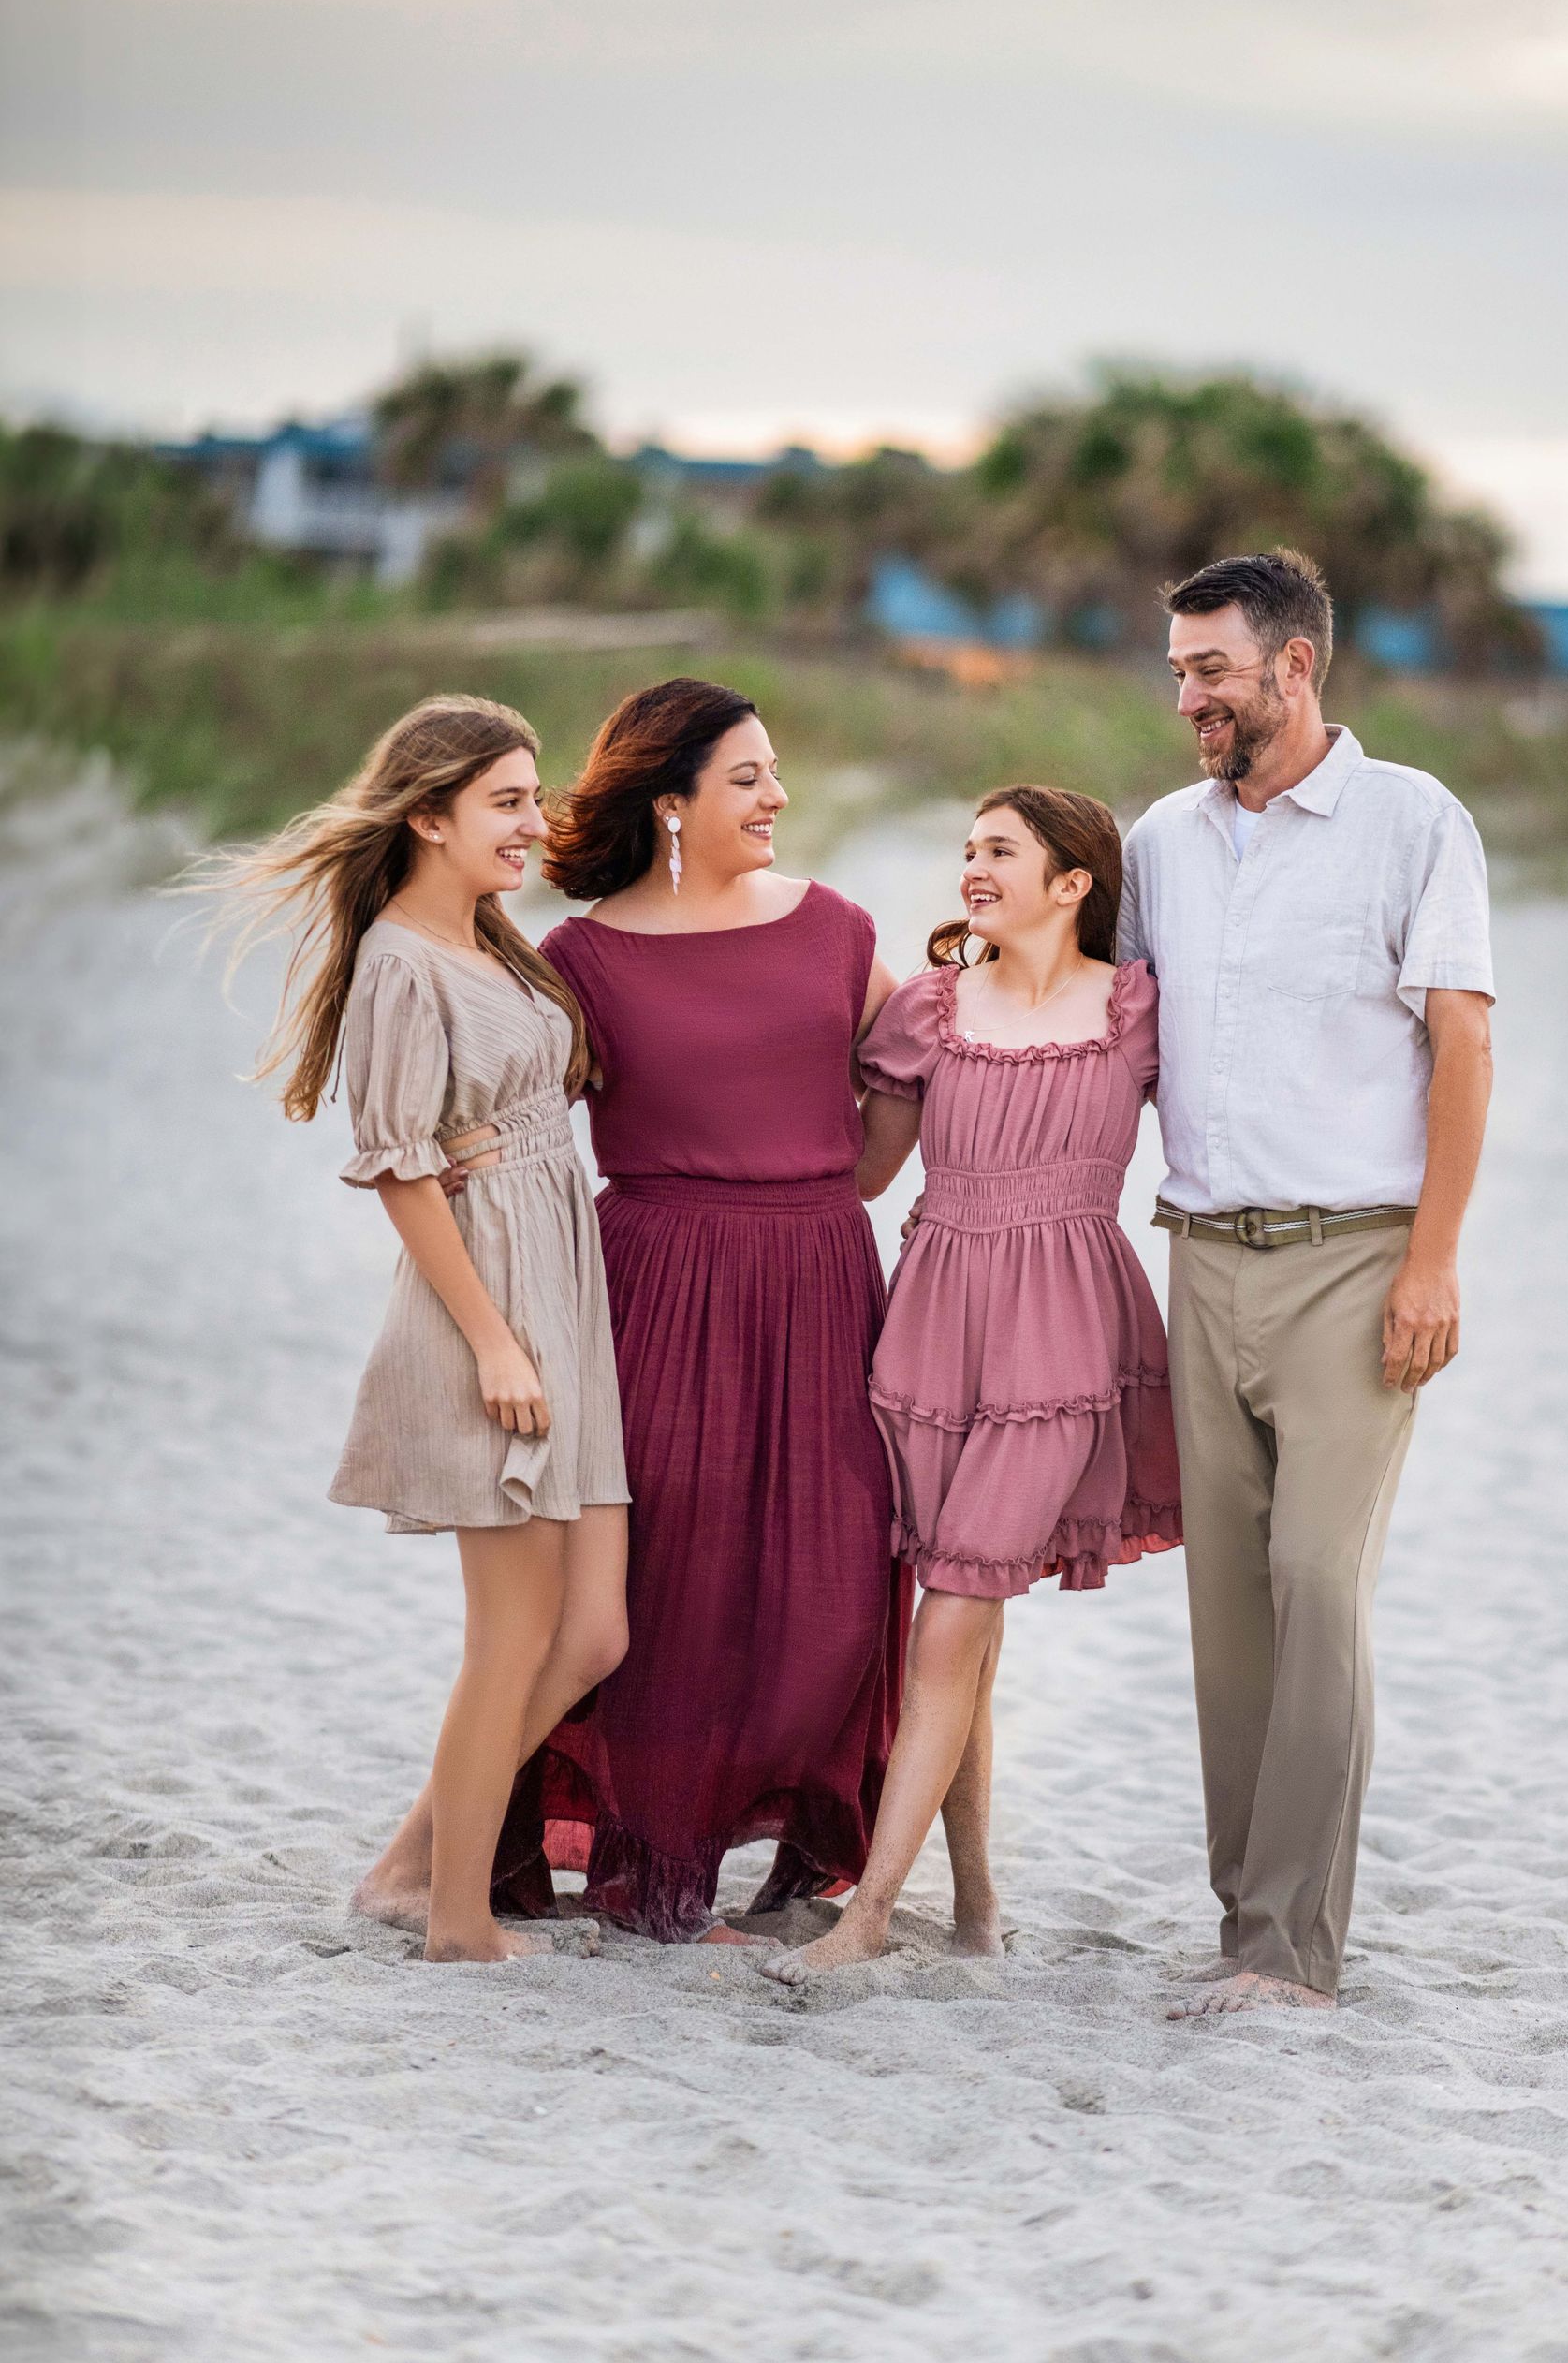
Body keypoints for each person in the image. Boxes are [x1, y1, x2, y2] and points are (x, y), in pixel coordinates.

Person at [1119, 549, 1495, 2017]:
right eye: (1178, 671)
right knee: (1234, 1611)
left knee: (1320, 1584)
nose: (1190, 695)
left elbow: (1462, 1045)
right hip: (1200, 1257)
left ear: (1296, 666)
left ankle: (1293, 1952)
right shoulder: (1161, 837)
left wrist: (1434, 1259)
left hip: (1357, 1261)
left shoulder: (1413, 820)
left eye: (1212, 668)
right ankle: (1242, 1923)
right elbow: (1113, 1031)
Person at [491, 679, 909, 1944]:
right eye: (747, 778)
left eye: (775, 773)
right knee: (670, 1591)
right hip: (657, 1281)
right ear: (669, 801)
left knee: (834, 1580)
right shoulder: (582, 960)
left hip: (824, 1272)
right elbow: (518, 1134)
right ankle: (656, 1873)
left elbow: (896, 1117)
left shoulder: (837, 927)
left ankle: (789, 1843)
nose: (777, 796)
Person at [214, 695, 630, 1964]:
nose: (533, 819)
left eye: (535, 793)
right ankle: (455, 1918)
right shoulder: (400, 958)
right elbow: (399, 1167)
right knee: (509, 1633)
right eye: (506, 799)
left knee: (595, 1630)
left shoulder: (494, 942)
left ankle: (406, 1865)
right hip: (490, 1300)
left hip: (561, 1278)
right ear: (429, 815)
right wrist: (497, 1341)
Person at [764, 786, 1180, 1982]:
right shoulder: (929, 1012)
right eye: (967, 851)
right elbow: (859, 1175)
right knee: (964, 1626)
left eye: (1001, 851)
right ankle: (980, 1905)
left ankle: (869, 1916)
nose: (973, 870)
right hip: (933, 1332)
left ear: (1073, 884)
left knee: (952, 1610)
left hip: (1065, 1340)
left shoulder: (1141, 1011)